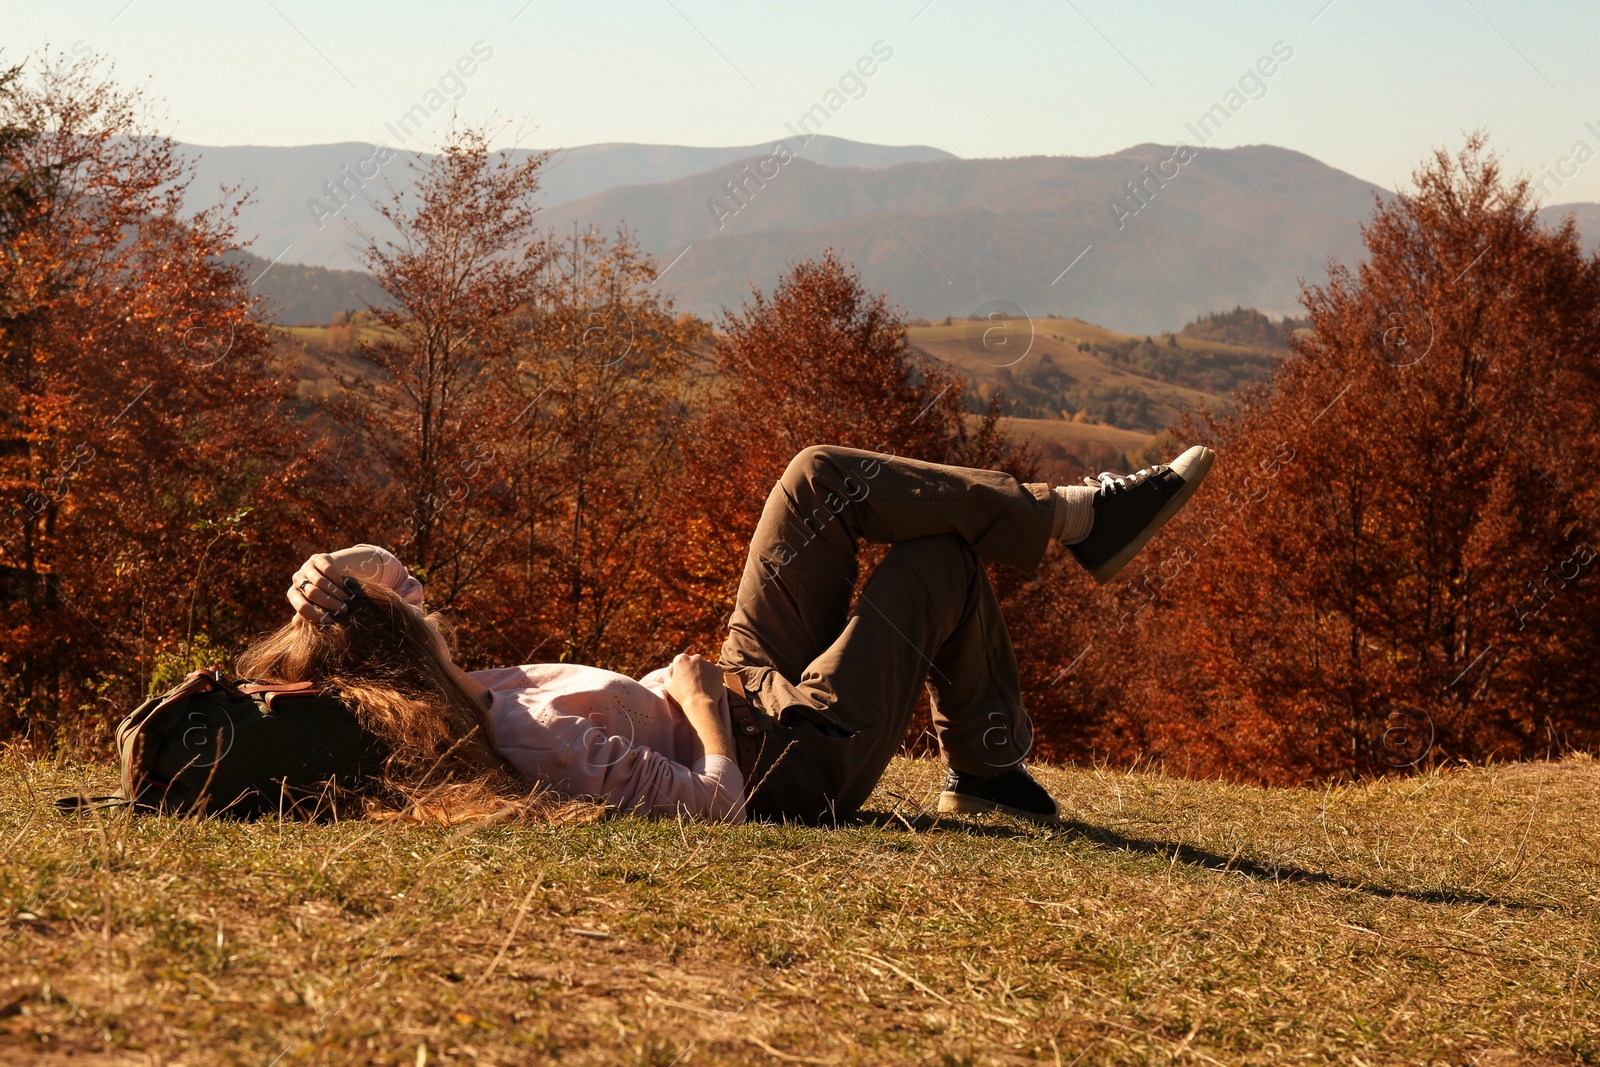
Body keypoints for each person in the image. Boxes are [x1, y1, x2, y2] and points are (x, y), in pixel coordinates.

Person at [251, 444, 1213, 825]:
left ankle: (1074, 518)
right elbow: (715, 808)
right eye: (406, 605)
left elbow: (383, 576)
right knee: (938, 568)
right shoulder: (525, 734)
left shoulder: (484, 685)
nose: (418, 590)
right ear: (407, 647)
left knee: (815, 477)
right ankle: (990, 770)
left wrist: (330, 567)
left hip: (750, 690)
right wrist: (706, 712)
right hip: (780, 759)